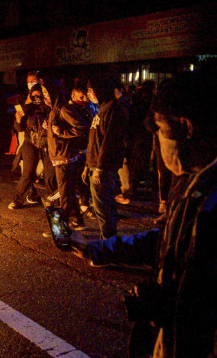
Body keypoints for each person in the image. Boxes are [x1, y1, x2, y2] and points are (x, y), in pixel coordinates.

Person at [69, 72, 216, 357]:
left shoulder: (211, 200)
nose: (158, 138)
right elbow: (169, 241)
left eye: (160, 127)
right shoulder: (196, 184)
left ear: (186, 126)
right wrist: (100, 249)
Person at [83, 76, 128, 239]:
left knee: (104, 207)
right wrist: (88, 165)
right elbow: (95, 139)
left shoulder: (112, 109)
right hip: (96, 166)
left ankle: (109, 243)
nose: (89, 94)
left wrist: (99, 168)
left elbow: (109, 142)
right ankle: (109, 240)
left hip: (103, 169)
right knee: (102, 205)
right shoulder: (103, 108)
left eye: (91, 90)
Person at [47, 81, 91, 230]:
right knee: (68, 192)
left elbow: (83, 127)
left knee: (64, 194)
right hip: (60, 156)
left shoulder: (63, 109)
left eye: (47, 93)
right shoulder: (54, 109)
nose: (45, 97)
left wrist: (63, 133)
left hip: (64, 157)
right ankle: (77, 220)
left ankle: (61, 229)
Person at [9, 84, 51, 209]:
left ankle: (53, 202)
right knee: (28, 173)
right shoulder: (26, 108)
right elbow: (19, 128)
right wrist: (18, 119)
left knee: (51, 175)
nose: (37, 97)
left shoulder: (48, 107)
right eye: (34, 95)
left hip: (47, 144)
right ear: (30, 95)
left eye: (39, 95)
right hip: (30, 143)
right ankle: (18, 200)